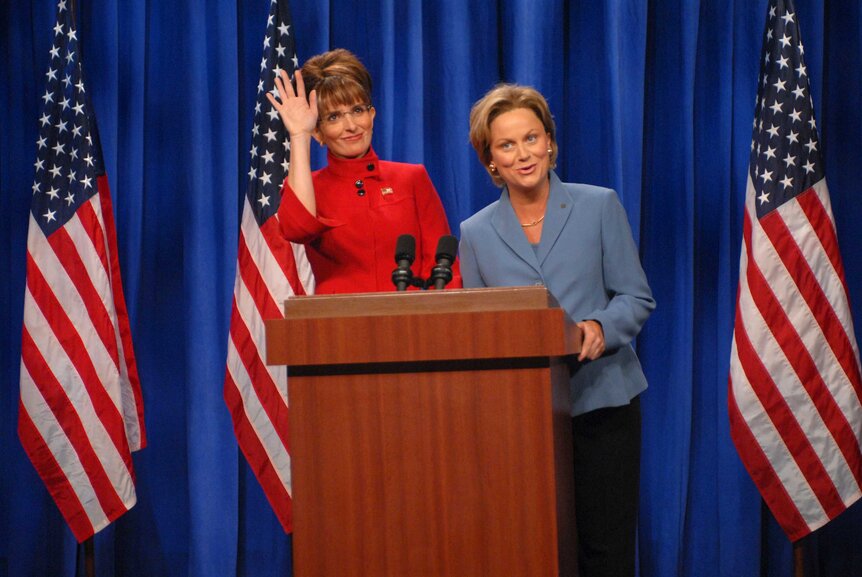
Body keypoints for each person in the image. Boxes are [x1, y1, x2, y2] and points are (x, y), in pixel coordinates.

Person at [459, 84, 655, 577]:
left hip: (603, 403)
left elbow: (636, 296)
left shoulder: (598, 205)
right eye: (507, 145)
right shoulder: (475, 234)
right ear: (491, 161)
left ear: (550, 142)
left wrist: (598, 327)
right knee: (537, 550)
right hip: (523, 419)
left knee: (604, 551)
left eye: (531, 138)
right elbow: (480, 328)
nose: (523, 154)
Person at [267, 49, 459, 294]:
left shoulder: (411, 178)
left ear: (372, 114)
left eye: (357, 110)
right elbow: (296, 229)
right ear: (319, 132)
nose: (351, 126)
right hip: (338, 326)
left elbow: (444, 268)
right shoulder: (309, 188)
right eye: (334, 117)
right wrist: (299, 135)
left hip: (413, 325)